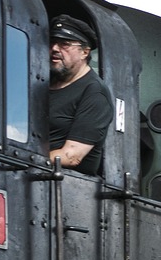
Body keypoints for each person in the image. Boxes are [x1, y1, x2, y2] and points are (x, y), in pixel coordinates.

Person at [47, 15, 114, 176]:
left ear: (84, 52)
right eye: (52, 42)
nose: (55, 48)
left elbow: (72, 156)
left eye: (65, 44)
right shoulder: (43, 82)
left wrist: (25, 155)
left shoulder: (95, 93)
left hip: (66, 181)